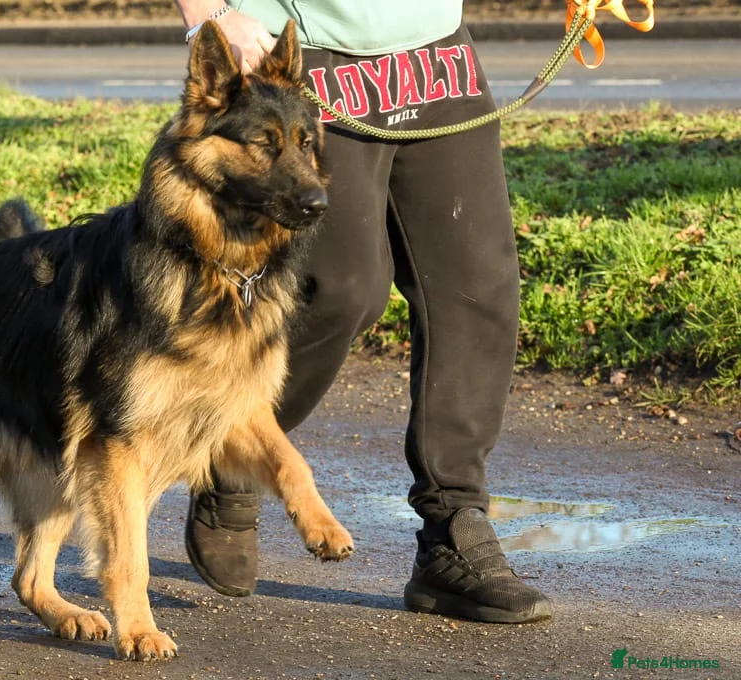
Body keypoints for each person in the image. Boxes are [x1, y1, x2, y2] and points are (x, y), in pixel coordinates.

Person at [173, 0, 553, 623]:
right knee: (342, 287)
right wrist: (209, 15)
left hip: (433, 46)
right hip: (307, 51)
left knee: (477, 287)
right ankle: (231, 451)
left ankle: (453, 532)